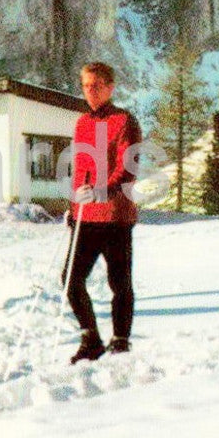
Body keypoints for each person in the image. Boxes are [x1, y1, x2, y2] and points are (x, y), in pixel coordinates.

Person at [65, 61, 143, 363]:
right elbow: (81, 168)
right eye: (85, 85)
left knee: (119, 282)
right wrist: (73, 207)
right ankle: (91, 338)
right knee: (71, 281)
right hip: (86, 216)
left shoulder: (124, 121)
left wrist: (103, 191)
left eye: (96, 85)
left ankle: (120, 340)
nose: (90, 91)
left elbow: (129, 167)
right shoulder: (82, 123)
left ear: (110, 87)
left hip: (115, 216)